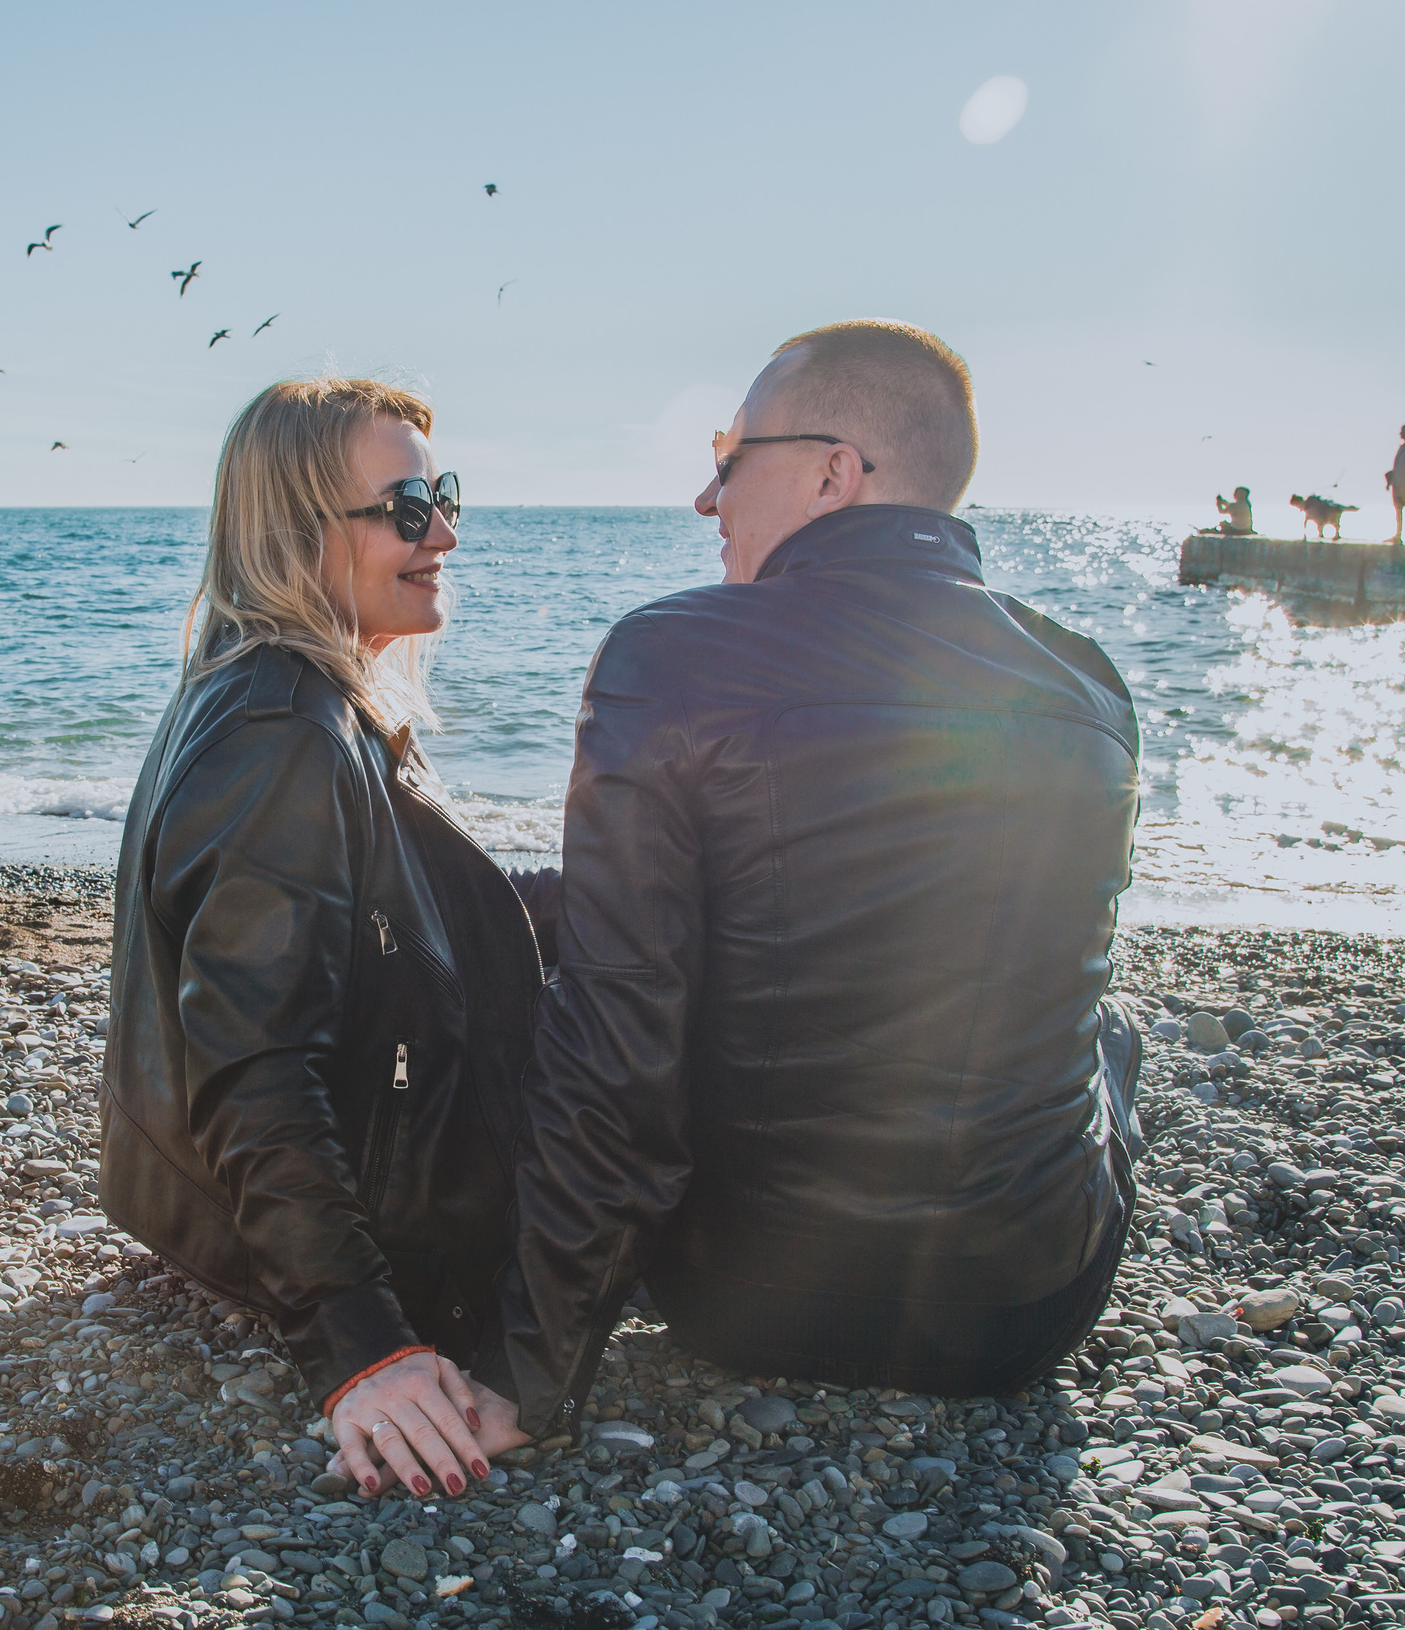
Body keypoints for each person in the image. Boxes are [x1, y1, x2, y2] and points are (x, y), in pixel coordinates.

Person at [479, 320, 1145, 1441]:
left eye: (730, 454)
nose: (707, 496)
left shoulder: (667, 653)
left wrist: (532, 1372)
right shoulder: (1083, 678)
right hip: (1019, 1318)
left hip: (738, 1303)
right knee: (1111, 1025)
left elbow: (616, 1046)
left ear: (835, 470)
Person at [100, 377, 549, 1501]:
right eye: (404, 508)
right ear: (297, 533)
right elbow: (251, 1063)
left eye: (442, 496)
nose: (442, 532)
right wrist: (363, 1345)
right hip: (329, 1244)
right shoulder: (278, 738)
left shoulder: (274, 687)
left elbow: (373, 924)